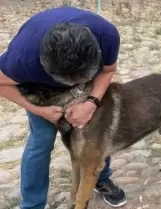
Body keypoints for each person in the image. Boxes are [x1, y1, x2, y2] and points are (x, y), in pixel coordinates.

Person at [0, 6, 127, 208]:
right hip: (41, 90)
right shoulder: (23, 59)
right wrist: (39, 111)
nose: (71, 90)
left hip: (87, 75)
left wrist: (91, 102)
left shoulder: (107, 35)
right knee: (41, 140)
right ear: (43, 64)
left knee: (98, 128)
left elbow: (108, 71)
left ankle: (100, 178)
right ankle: (32, 204)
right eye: (67, 82)